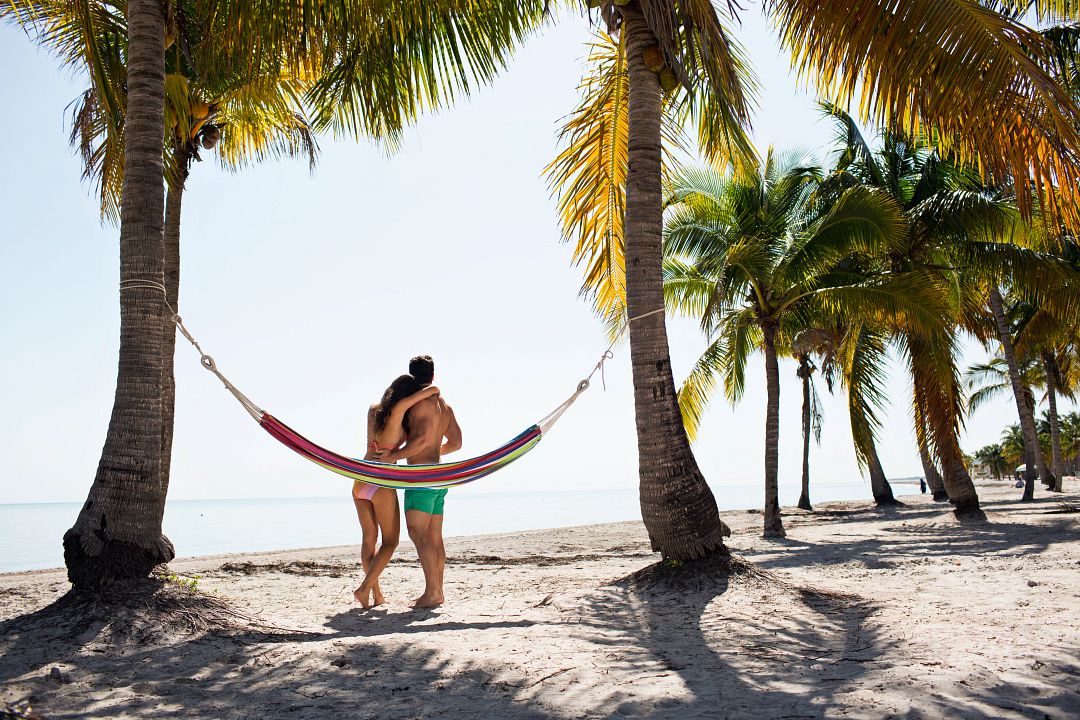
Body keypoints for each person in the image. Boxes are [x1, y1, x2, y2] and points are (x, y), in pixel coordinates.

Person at [379, 355, 461, 608]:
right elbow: (456, 444)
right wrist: (435, 451)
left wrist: (395, 455)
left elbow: (422, 440)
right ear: (433, 376)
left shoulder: (419, 404)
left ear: (413, 377)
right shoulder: (445, 407)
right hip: (439, 476)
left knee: (418, 533)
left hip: (421, 476)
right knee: (434, 537)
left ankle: (432, 592)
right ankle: (438, 591)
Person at [352, 375, 440, 609]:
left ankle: (376, 595)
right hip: (381, 481)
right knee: (390, 542)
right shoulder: (398, 413)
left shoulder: (373, 411)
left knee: (369, 541)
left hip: (361, 479)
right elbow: (430, 390)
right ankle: (363, 589)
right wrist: (431, 391)